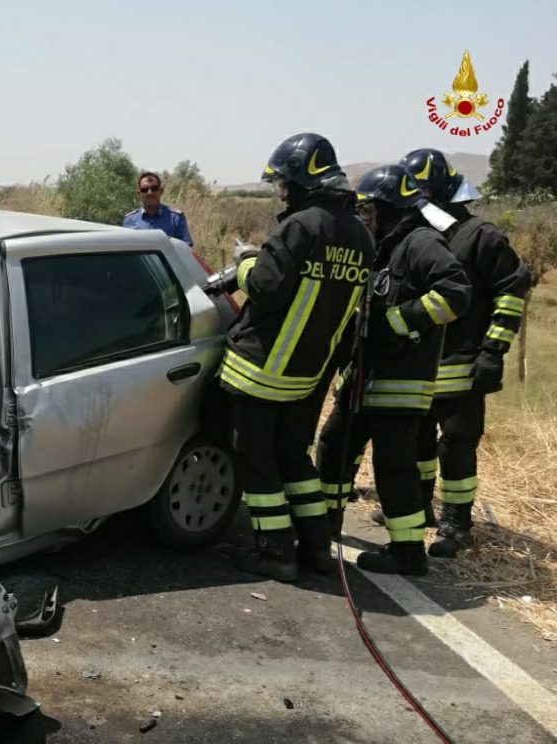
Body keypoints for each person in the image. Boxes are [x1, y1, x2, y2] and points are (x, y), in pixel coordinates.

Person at [215, 133, 375, 582]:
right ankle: (318, 550)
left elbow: (265, 289)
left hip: (260, 370)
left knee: (257, 460)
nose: (281, 192)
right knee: (294, 457)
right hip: (306, 374)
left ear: (305, 181)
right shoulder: (360, 234)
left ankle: (276, 553)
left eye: (284, 183)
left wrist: (246, 260)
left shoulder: (302, 226)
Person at [317, 165, 472, 575]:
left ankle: (407, 553)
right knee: (333, 446)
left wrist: (397, 323)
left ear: (389, 207)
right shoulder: (382, 246)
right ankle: (324, 527)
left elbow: (456, 293)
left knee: (393, 466)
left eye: (369, 208)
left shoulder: (420, 243)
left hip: (400, 381)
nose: (364, 216)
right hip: (365, 377)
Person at [399, 148, 531, 557]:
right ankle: (419, 507)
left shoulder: (482, 236)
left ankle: (457, 524)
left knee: (456, 444)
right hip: (419, 365)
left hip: (464, 363)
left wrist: (493, 351)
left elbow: (512, 292)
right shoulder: (417, 236)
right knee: (416, 440)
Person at [123, 172, 193, 246]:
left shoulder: (176, 218)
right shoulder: (129, 220)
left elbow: (186, 249)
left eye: (154, 189)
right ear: (139, 194)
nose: (149, 193)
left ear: (161, 191)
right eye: (144, 189)